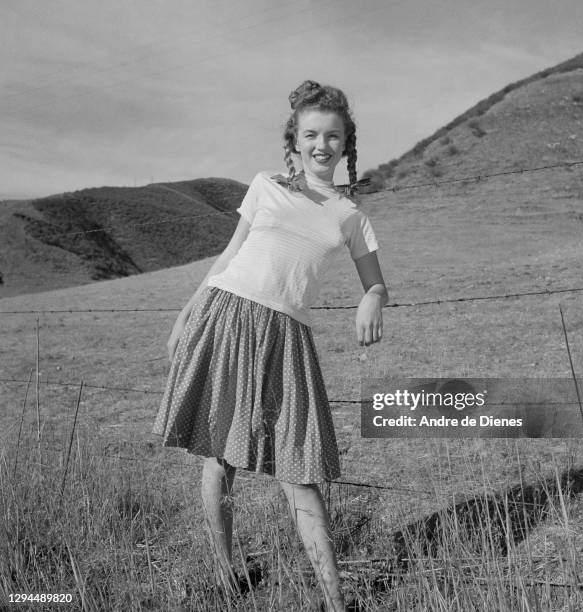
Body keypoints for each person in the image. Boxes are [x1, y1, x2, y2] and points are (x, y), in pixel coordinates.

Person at [152, 80, 388, 612]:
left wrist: (373, 298)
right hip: (228, 317)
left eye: (333, 135)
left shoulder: (350, 216)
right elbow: (228, 256)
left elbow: (375, 281)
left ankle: (335, 600)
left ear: (347, 143)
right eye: (311, 134)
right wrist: (187, 313)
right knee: (219, 457)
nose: (321, 144)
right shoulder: (265, 186)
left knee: (299, 472)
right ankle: (225, 572)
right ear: (295, 140)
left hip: (287, 337)